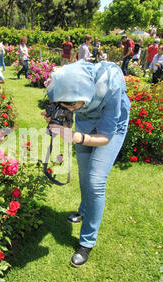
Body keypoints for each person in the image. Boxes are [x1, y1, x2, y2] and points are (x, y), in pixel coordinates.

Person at [43, 60, 130, 267]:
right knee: (84, 174)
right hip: (86, 123)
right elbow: (65, 104)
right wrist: (56, 118)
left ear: (84, 94)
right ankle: (84, 210)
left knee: (95, 181)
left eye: (71, 106)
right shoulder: (72, 79)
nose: (68, 109)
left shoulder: (111, 85)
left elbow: (105, 137)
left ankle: (87, 241)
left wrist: (76, 137)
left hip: (111, 128)